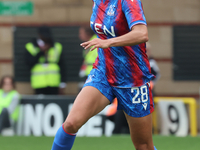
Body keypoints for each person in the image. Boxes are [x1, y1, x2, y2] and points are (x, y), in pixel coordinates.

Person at [51, 0, 157, 150]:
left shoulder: (128, 1)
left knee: (143, 146)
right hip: (103, 72)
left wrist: (109, 42)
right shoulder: (98, 2)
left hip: (133, 79)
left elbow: (142, 33)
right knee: (71, 123)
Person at [25, 26, 66, 95]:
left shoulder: (56, 46)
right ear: (39, 35)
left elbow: (62, 65)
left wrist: (63, 83)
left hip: (54, 82)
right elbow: (29, 63)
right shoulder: (30, 46)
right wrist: (41, 52)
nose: (46, 38)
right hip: (39, 83)